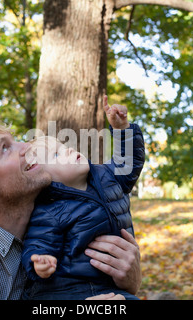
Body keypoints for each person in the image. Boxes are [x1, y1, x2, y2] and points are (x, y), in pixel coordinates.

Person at [0, 107, 141, 300]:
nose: (26, 146)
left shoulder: (63, 210)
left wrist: (129, 281)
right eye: (5, 148)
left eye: (15, 139)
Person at [21, 96, 145, 300]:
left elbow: (130, 164)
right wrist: (40, 262)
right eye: (56, 155)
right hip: (68, 290)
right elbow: (38, 242)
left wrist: (123, 129)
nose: (68, 149)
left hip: (111, 284)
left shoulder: (106, 175)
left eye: (62, 147)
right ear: (44, 178)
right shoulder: (50, 209)